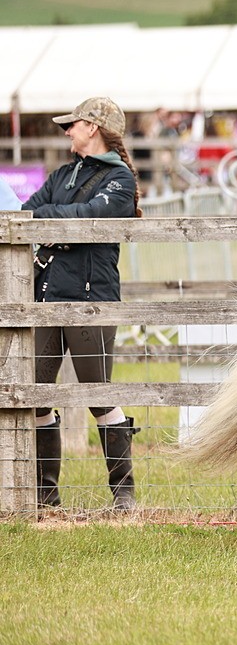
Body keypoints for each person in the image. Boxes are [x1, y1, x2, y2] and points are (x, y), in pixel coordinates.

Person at [23, 97, 142, 511]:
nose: (67, 131)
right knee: (37, 394)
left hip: (92, 296)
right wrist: (63, 222)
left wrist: (57, 223)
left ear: (93, 127)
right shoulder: (61, 174)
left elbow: (91, 217)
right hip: (47, 293)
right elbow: (27, 212)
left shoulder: (120, 180)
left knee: (98, 394)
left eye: (71, 125)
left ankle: (123, 494)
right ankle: (45, 496)